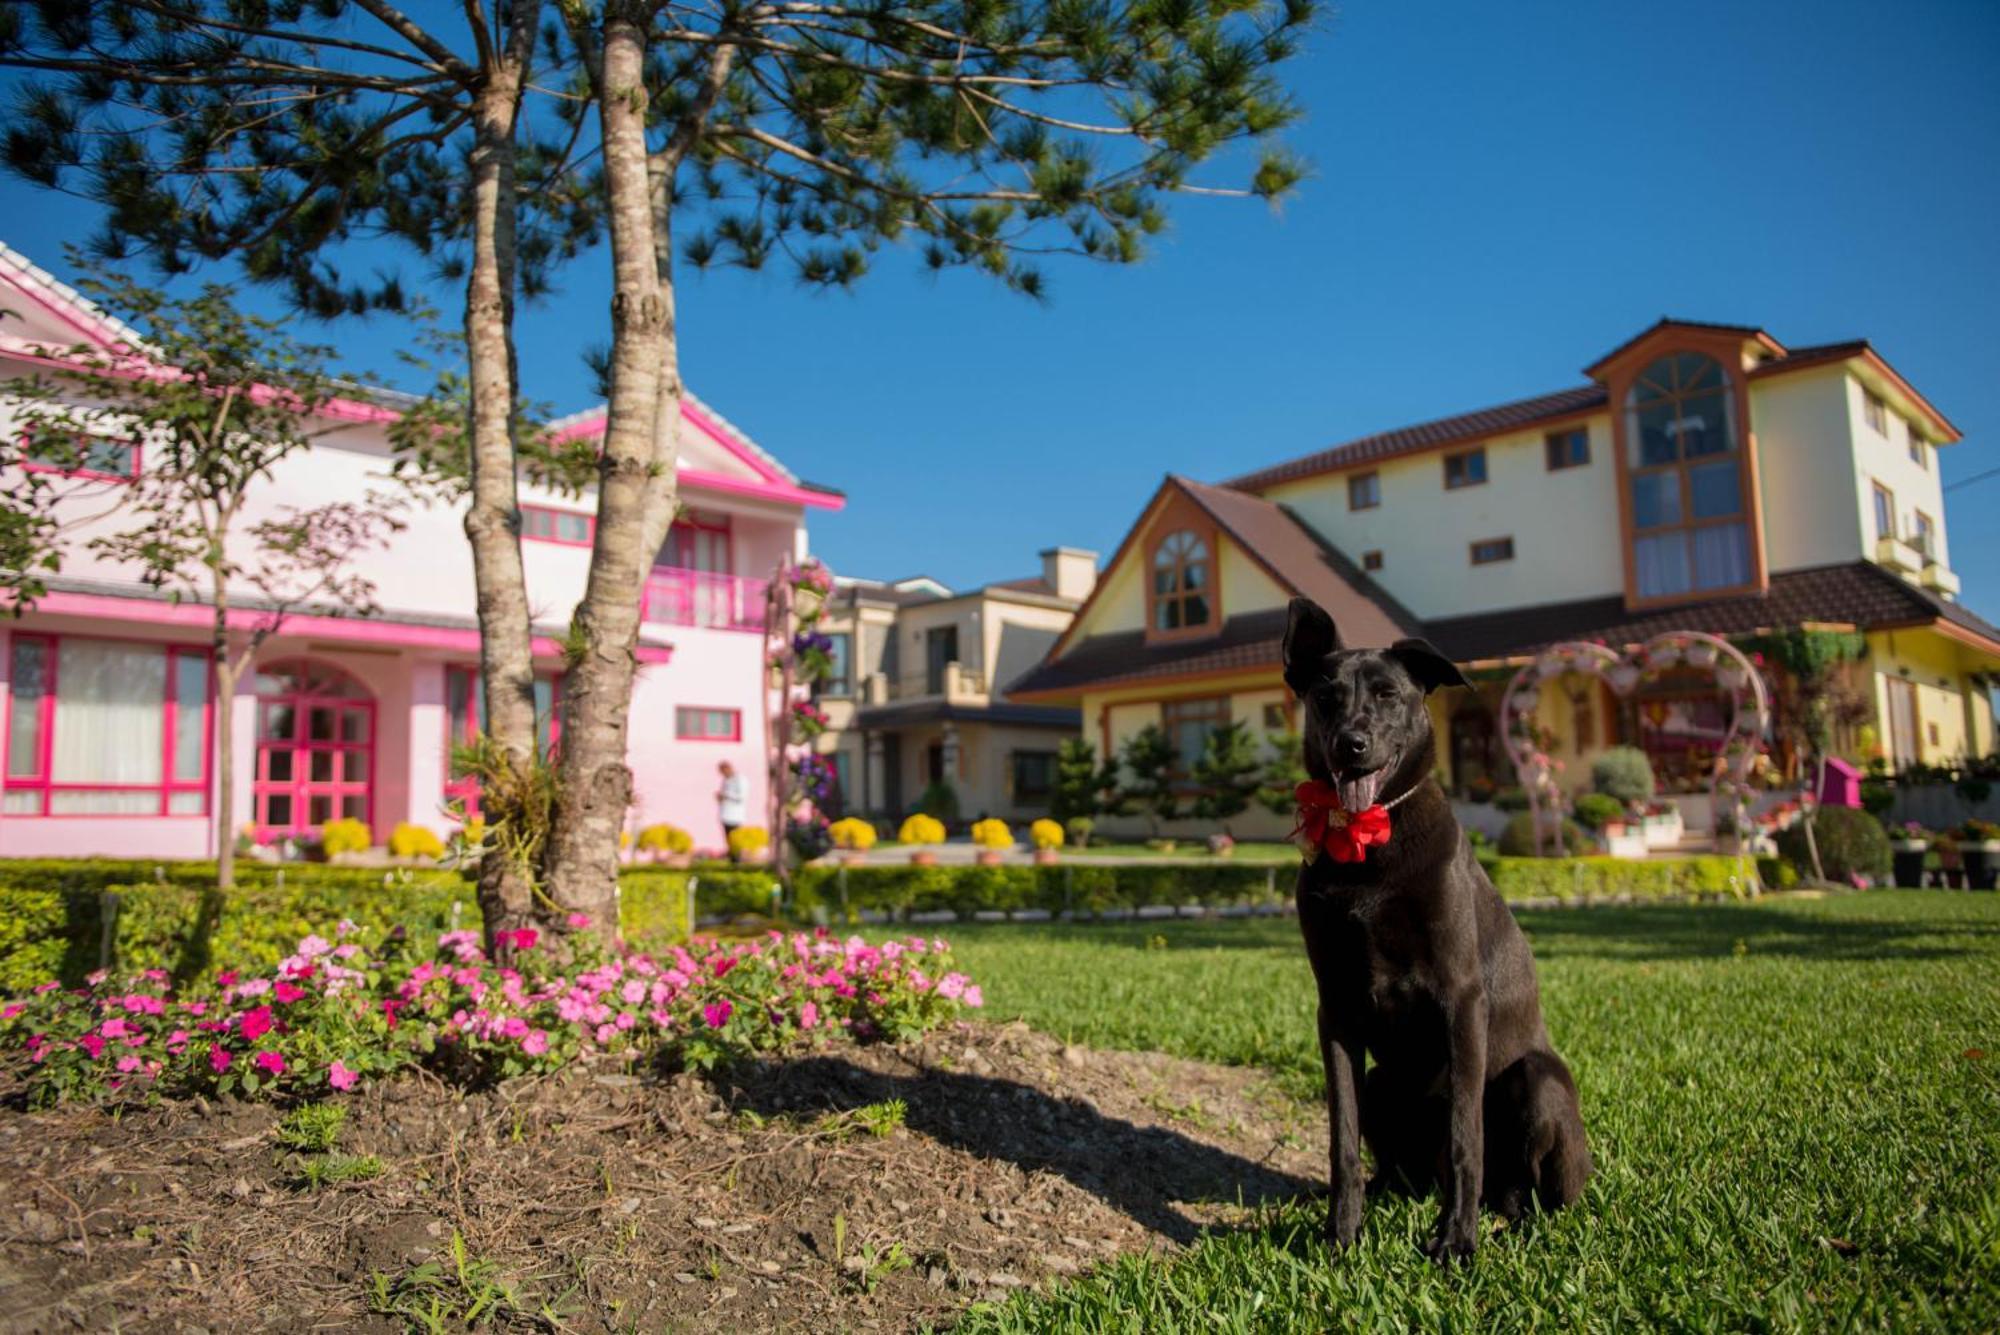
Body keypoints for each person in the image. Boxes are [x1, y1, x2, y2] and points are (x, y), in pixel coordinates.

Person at [715, 760, 747, 840]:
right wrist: (720, 797)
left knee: (736, 839)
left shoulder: (740, 779)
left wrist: (726, 796)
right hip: (725, 814)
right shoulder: (726, 780)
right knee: (728, 838)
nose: (723, 774)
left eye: (723, 771)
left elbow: (742, 796)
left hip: (735, 816)